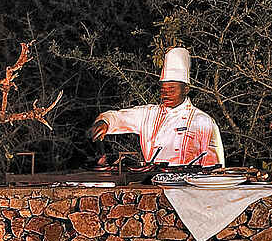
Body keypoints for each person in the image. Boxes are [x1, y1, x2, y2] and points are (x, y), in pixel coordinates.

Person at [90, 46, 225, 167]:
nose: (166, 94)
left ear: (186, 89)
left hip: (188, 187)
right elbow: (118, 117)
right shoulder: (149, 114)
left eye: (172, 89)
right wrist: (104, 122)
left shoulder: (203, 120)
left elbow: (215, 166)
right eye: (163, 89)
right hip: (153, 182)